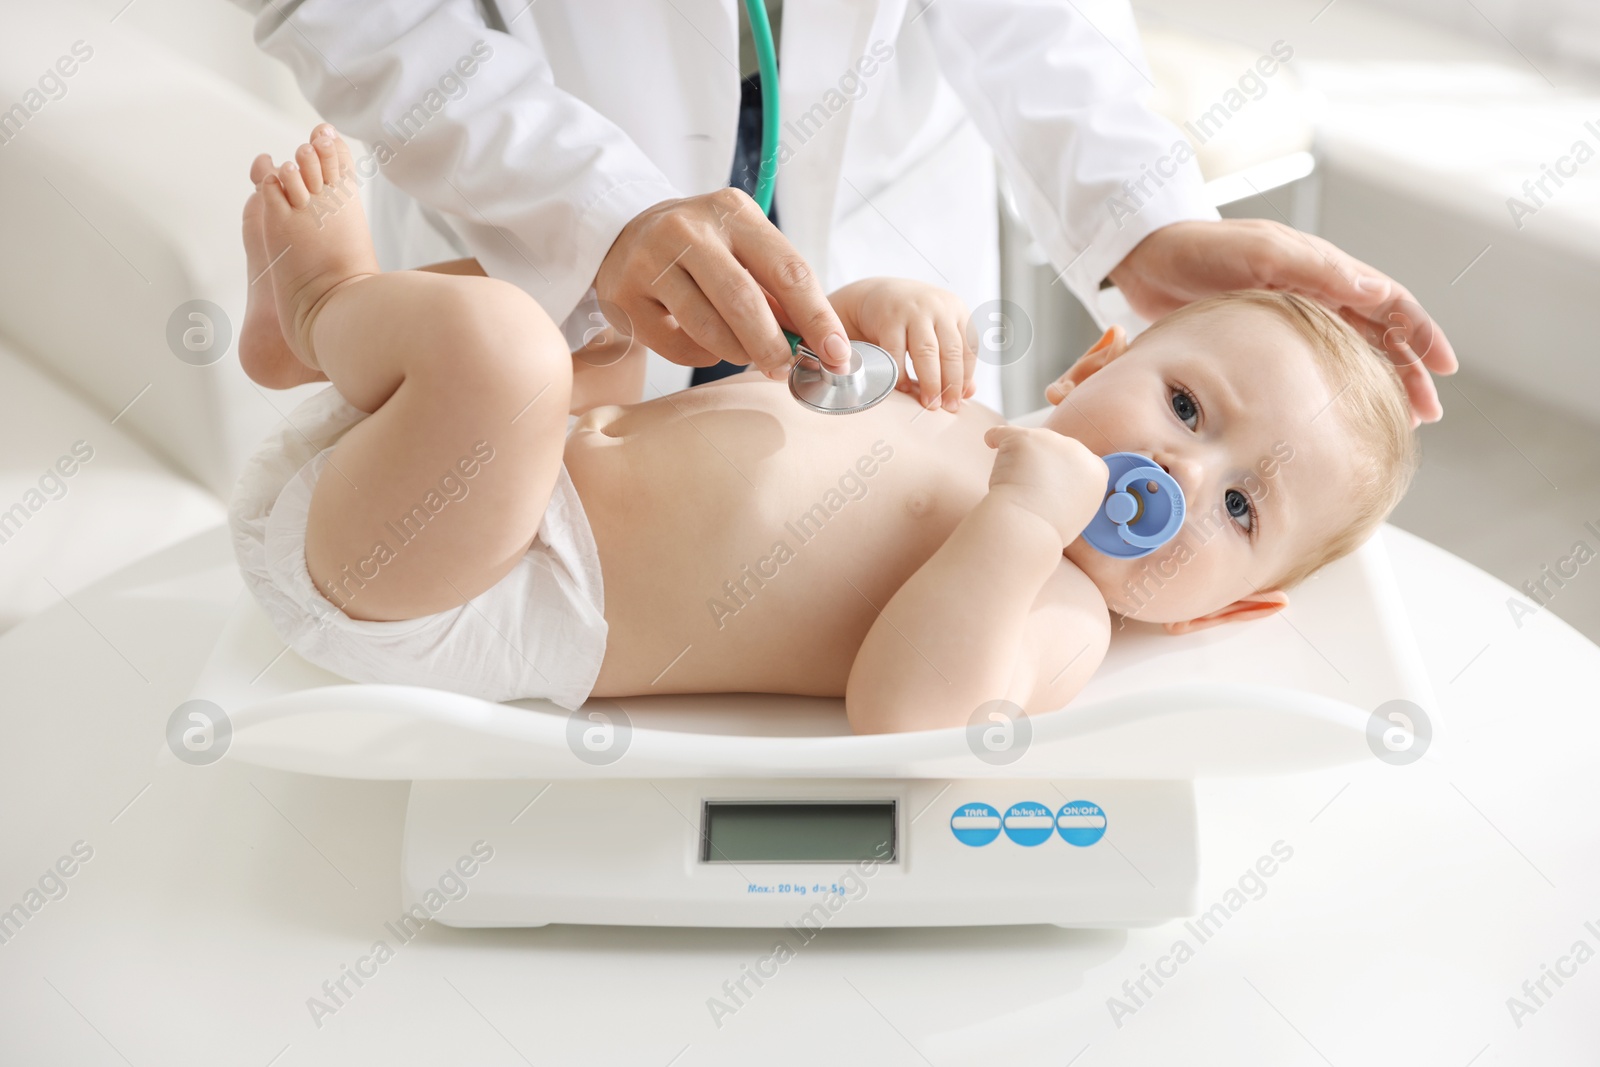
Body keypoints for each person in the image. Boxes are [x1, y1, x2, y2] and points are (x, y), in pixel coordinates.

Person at [231, 129, 1417, 733]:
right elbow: (790, 385)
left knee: (507, 347)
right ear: (1094, 358)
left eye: (1239, 509)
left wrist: (1017, 523)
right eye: (1186, 408)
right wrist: (855, 321)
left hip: (458, 584)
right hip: (484, 477)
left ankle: (326, 303)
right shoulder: (966, 409)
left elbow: (909, 711)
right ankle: (306, 345)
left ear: (1227, 608)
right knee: (601, 300)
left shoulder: (1058, 610)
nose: (1179, 471)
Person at [239, 0, 1455, 422]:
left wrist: (1138, 218)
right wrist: (594, 211)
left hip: (876, 240)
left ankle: (322, 305)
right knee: (507, 407)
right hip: (530, 206)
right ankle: (324, 302)